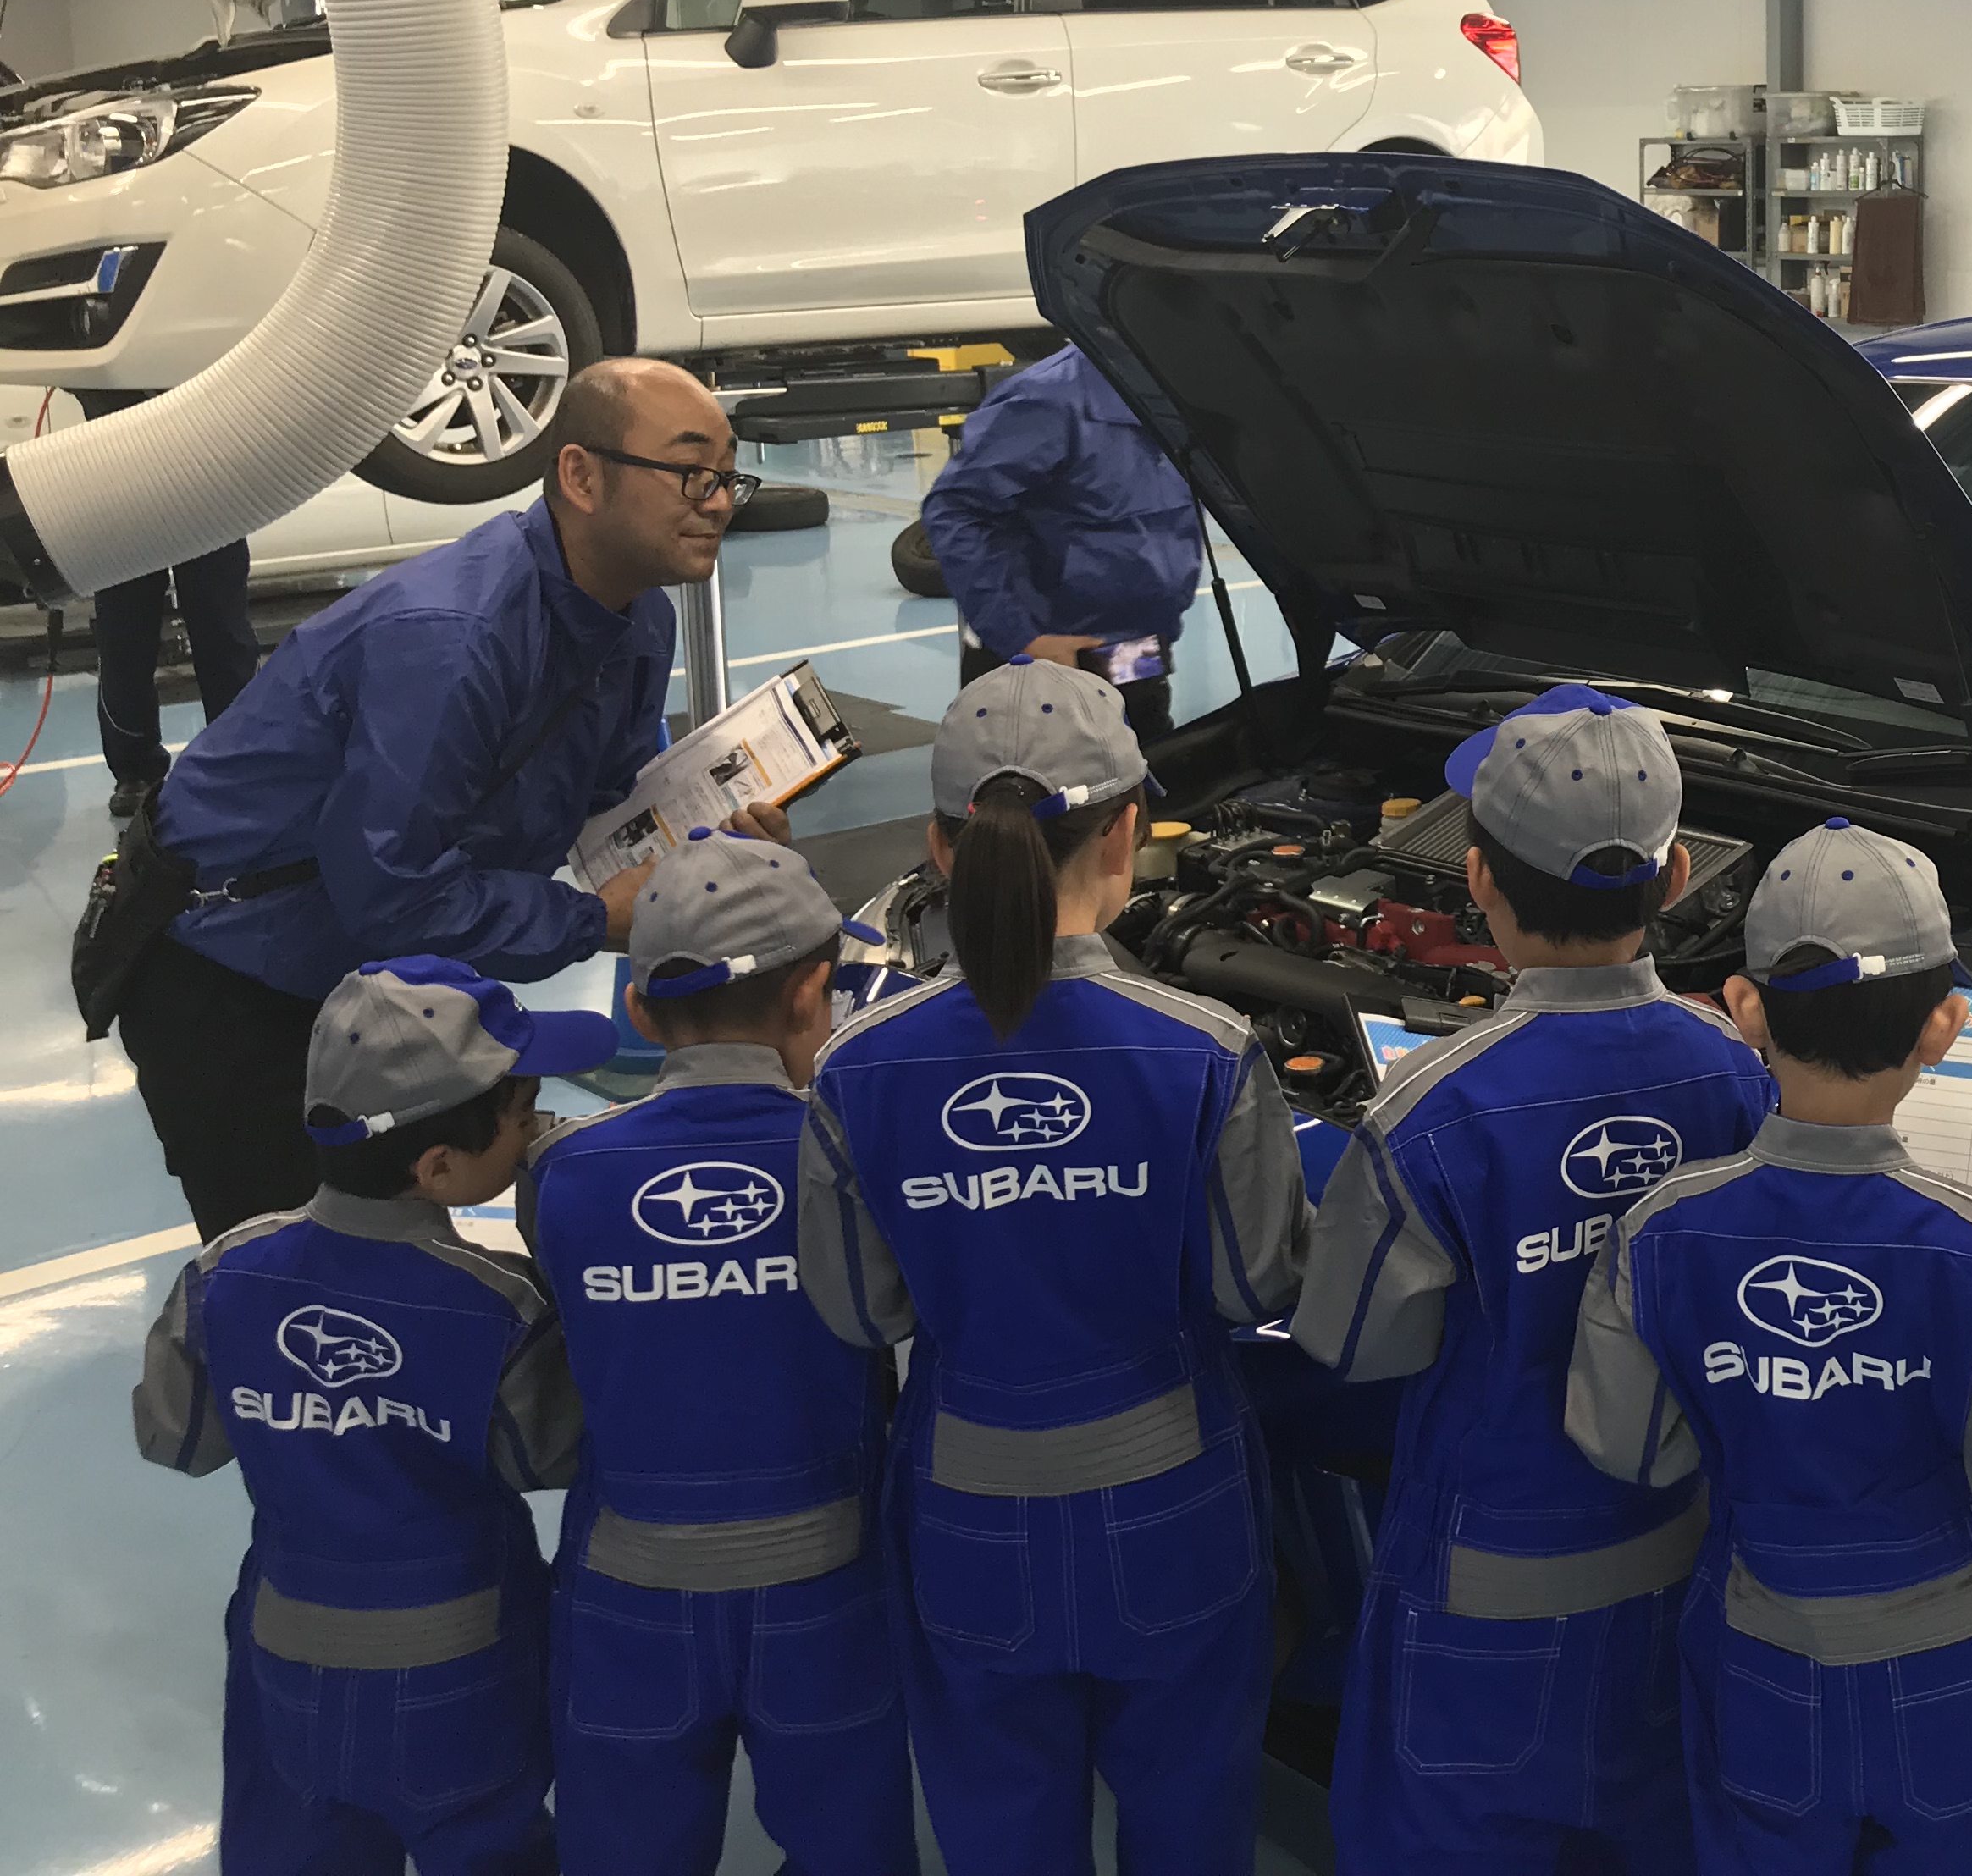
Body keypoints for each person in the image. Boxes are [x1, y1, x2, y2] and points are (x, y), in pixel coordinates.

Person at [796, 659, 1308, 1875]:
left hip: (967, 1510)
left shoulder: (856, 1070)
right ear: (1128, 835)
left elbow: (863, 1310)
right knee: (1193, 1827)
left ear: (939, 847)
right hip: (1175, 1503)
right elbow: (1255, 1289)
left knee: (999, 1830)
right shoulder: (1208, 1051)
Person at [1292, 686, 1776, 1876]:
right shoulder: (1740, 1076)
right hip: (1677, 1571)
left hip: (1481, 1598)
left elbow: (1353, 1345)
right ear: (1677, 881)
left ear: (1477, 881)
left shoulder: (1431, 1113)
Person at [119, 357, 760, 1239]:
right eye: (690, 471)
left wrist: (715, 839)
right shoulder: (453, 640)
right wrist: (590, 922)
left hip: (370, 967)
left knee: (404, 1236)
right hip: (233, 978)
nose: (718, 501)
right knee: (301, 1261)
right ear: (581, 476)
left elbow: (608, 802)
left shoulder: (637, 617)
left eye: (728, 476)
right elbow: (394, 891)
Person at [1566, 819, 1972, 1876]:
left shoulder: (1657, 1233)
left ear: (1745, 1007)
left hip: (1763, 1654)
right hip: (1961, 1662)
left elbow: (1634, 1449)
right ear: (1944, 1026)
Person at [133, 957, 606, 1875]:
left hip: (288, 1642)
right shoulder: (499, 1305)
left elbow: (172, 1439)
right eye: (523, 1115)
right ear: (439, 1167)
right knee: (488, 1847)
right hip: (461, 1653)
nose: (537, 1128)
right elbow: (552, 1456)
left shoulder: (223, 1275)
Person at [521, 829, 912, 1876]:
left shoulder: (561, 1173)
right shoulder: (851, 1155)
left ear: (641, 1012)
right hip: (825, 1580)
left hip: (629, 1584)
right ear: (815, 994)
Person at [920, 343, 1203, 740]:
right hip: (1042, 666)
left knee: (1149, 767)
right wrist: (1022, 638)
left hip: (1138, 656)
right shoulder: (1047, 400)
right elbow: (956, 511)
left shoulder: (1179, 396)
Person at [73, 386, 261, 819]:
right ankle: (135, 770)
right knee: (123, 635)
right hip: (118, 464)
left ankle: (238, 757)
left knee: (223, 628)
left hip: (207, 461)